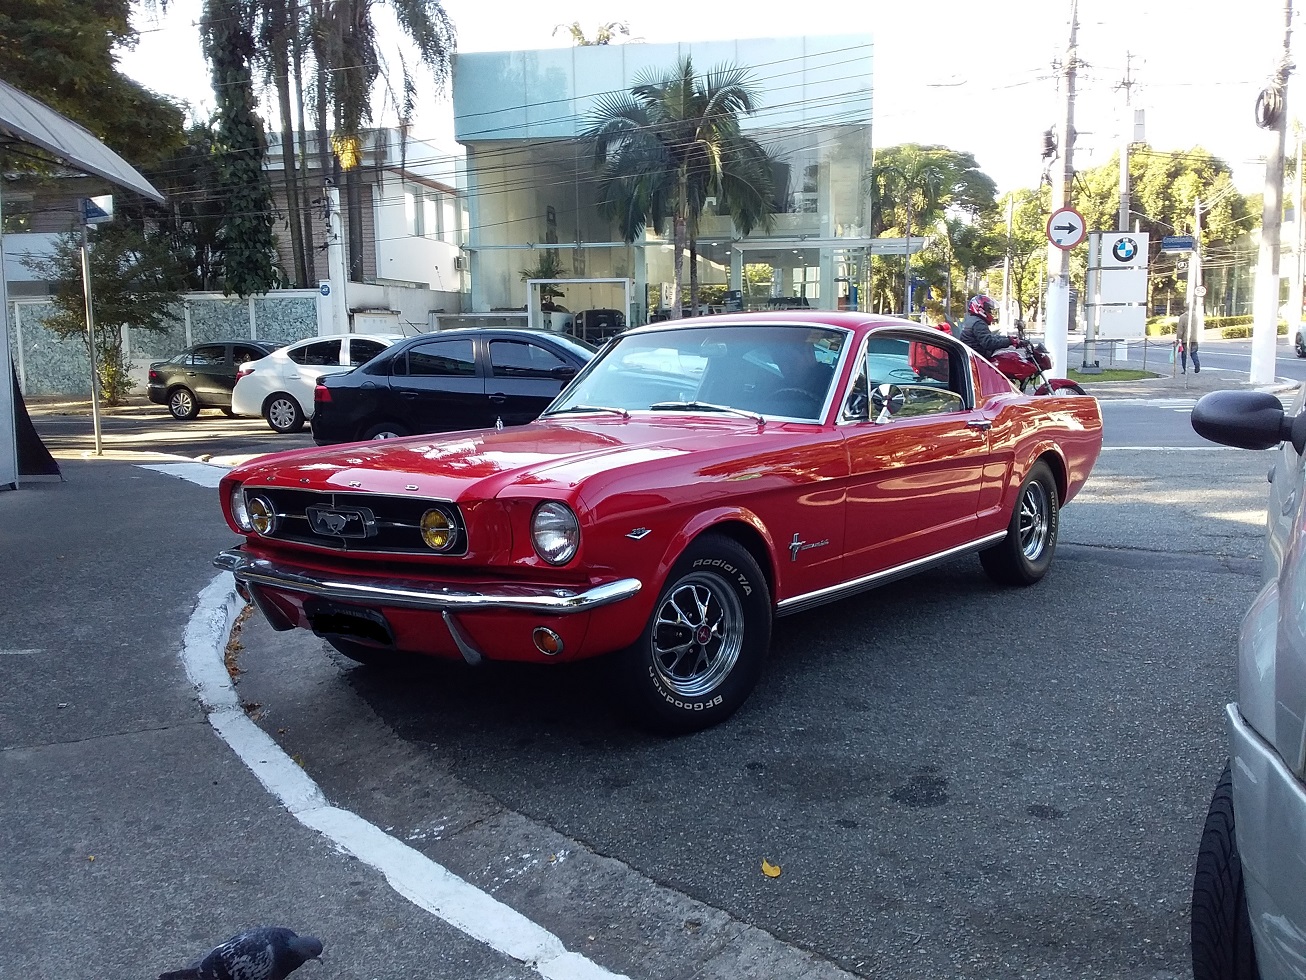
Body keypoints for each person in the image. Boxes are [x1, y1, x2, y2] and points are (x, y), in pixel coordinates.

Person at [958, 294, 1016, 360]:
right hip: (978, 359)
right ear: (980, 308)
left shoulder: (971, 320)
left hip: (972, 356)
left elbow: (989, 337)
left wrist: (1008, 338)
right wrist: (1009, 341)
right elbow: (988, 343)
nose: (990, 312)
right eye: (988, 309)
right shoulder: (978, 323)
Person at [1174, 309, 1201, 374]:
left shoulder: (1183, 317)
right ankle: (1197, 364)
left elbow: (1180, 330)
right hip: (1194, 338)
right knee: (1193, 353)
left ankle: (1185, 369)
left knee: (1184, 355)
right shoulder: (1195, 316)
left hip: (1185, 339)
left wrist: (1178, 339)